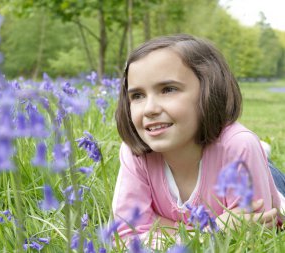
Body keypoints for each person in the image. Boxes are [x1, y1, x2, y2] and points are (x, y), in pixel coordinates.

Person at [113, 34, 285, 246]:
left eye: (168, 89)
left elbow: (253, 236)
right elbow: (126, 236)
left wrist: (162, 225)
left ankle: (262, 159)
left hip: (268, 183)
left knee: (248, 148)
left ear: (209, 90)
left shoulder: (239, 147)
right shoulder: (135, 153)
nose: (149, 109)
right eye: (137, 95)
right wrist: (215, 229)